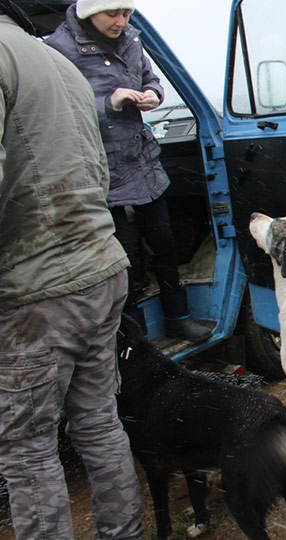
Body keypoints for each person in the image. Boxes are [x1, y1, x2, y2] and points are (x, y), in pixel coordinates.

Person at [0, 1, 145, 538]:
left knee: (28, 446)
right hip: (101, 268)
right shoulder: (57, 63)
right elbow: (98, 169)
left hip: (37, 288)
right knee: (98, 421)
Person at [45, 0, 211, 341]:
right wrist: (109, 102)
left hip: (142, 161)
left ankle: (178, 317)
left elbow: (152, 79)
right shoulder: (59, 49)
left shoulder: (132, 39)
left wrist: (152, 93)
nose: (121, 22)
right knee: (125, 256)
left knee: (165, 243)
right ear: (89, 11)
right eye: (112, 14)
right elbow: (54, 106)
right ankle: (134, 337)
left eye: (127, 13)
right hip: (101, 167)